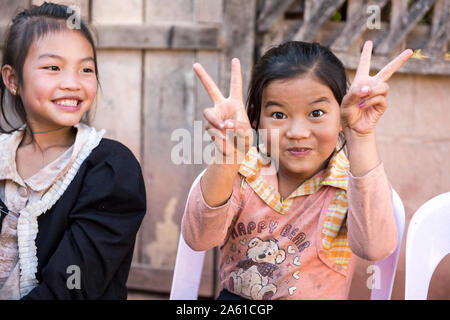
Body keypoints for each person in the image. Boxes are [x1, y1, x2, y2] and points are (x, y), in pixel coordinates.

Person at [182, 40, 412, 299]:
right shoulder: (242, 173)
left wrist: (360, 134)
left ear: (341, 117)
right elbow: (198, 239)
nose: (298, 133)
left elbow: (375, 247)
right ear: (256, 120)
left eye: (316, 112)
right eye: (279, 115)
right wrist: (228, 157)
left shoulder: (350, 185)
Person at [0, 2, 146, 299]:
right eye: (53, 67)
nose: (73, 83)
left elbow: (70, 290)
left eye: (86, 69)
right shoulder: (3, 155)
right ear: (13, 80)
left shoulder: (111, 170)